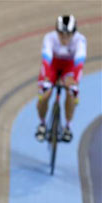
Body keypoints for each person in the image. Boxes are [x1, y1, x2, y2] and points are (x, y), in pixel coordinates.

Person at [35, 14, 87, 143]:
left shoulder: (80, 40)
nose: (64, 38)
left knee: (71, 93)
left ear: (74, 33)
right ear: (56, 32)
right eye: (61, 34)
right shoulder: (49, 38)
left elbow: (79, 62)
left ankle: (68, 127)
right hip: (52, 66)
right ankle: (42, 124)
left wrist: (73, 81)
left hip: (69, 68)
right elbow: (46, 60)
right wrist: (47, 79)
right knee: (44, 94)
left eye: (68, 35)